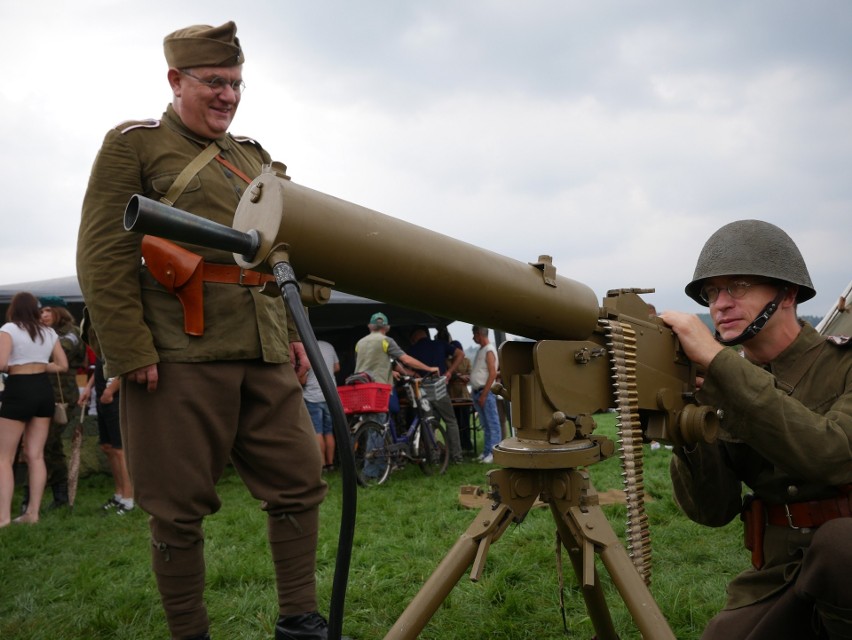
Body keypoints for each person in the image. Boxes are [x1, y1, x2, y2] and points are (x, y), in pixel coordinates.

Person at [77, 22, 333, 640]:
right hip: (176, 350)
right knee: (175, 508)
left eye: (236, 83)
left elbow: (279, 254)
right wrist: (130, 348)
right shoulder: (134, 147)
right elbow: (103, 255)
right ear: (175, 80)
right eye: (214, 82)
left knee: (301, 481)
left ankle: (300, 621)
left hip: (265, 344)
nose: (228, 95)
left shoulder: (251, 157)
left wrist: (295, 333)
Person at [660, 220, 852, 640]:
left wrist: (719, 363)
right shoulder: (719, 385)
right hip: (779, 573)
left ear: (788, 292)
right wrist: (685, 423)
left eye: (739, 286)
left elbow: (834, 457)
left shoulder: (845, 364)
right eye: (712, 293)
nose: (719, 305)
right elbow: (713, 511)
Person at [0, 292, 68, 527]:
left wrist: (16, 365)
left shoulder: (9, 329)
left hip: (18, 390)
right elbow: (62, 365)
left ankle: (4, 517)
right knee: (36, 455)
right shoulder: (48, 332)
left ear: (13, 308)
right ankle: (33, 513)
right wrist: (39, 364)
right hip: (43, 390)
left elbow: (1, 363)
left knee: (4, 458)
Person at [20, 296, 86, 512]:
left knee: (47, 445)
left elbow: (57, 353)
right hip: (37, 394)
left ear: (59, 311)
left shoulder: (71, 332)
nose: (44, 315)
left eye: (48, 310)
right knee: (39, 446)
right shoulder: (40, 334)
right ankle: (54, 496)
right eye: (40, 312)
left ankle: (47, 496)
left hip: (61, 399)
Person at [79, 356, 134, 514]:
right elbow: (99, 367)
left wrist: (110, 391)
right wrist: (89, 387)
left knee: (120, 449)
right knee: (107, 447)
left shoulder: (119, 336)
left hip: (115, 399)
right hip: (103, 397)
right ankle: (119, 494)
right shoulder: (100, 339)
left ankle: (129, 499)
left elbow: (126, 365)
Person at [406, 327, 464, 463]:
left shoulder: (412, 350)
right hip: (439, 387)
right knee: (450, 421)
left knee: (428, 424)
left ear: (414, 337)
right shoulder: (440, 344)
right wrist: (449, 372)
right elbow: (460, 354)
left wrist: (414, 374)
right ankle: (457, 457)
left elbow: (404, 366)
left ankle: (433, 458)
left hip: (422, 389)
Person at [302, 340, 340, 472]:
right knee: (328, 431)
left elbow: (303, 377)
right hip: (330, 395)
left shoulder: (306, 347)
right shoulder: (329, 346)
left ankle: (322, 465)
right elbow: (337, 367)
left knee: (317, 431)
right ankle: (331, 464)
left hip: (312, 396)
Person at [470, 326, 501, 463]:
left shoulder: (489, 350)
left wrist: (484, 394)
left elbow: (492, 373)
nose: (473, 338)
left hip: (485, 392)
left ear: (479, 334)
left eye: (474, 335)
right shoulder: (482, 350)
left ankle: (494, 453)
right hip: (479, 391)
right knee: (486, 424)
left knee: (492, 424)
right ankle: (487, 451)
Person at [447, 340, 474, 455]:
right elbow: (449, 375)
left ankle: (467, 445)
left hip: (464, 394)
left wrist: (465, 377)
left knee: (465, 421)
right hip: (452, 394)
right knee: (456, 422)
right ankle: (457, 446)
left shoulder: (466, 361)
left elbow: (471, 374)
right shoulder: (448, 362)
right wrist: (458, 376)